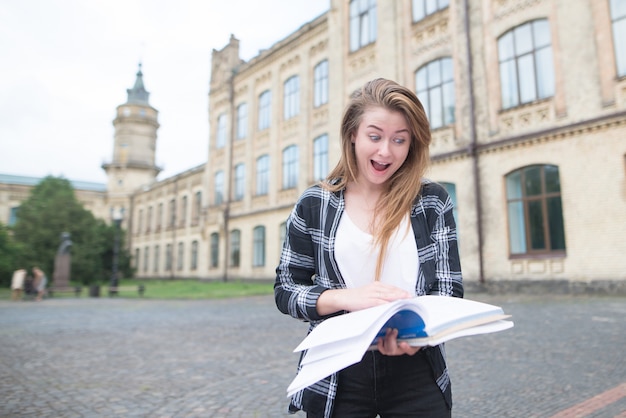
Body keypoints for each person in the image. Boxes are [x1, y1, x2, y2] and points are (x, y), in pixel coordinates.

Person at [275, 78, 463, 418]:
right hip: (337, 374)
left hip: (416, 371)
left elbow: (449, 290)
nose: (385, 151)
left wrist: (419, 335)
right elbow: (287, 290)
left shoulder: (433, 201)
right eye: (374, 136)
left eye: (399, 140)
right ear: (352, 135)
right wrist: (346, 298)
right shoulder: (315, 203)